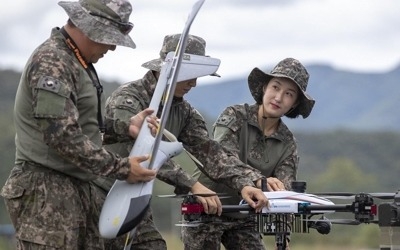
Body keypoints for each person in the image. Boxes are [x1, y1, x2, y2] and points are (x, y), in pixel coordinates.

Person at [0, 0, 158, 249]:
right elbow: (61, 135)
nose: (113, 48)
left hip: (74, 188)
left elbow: (81, 122)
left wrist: (124, 127)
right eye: (110, 38)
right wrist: (122, 168)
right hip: (46, 192)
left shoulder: (76, 62)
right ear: (90, 28)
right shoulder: (52, 62)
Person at [100, 33, 269, 250]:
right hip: (103, 194)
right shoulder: (129, 99)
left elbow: (212, 154)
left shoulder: (185, 111)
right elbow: (145, 151)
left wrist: (246, 183)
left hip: (136, 198)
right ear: (167, 70)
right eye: (190, 75)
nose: (194, 83)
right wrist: (192, 185)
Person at [182, 58, 316, 250]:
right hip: (207, 207)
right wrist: (259, 180)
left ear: (294, 104)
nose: (278, 97)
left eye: (288, 94)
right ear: (264, 88)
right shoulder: (235, 116)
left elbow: (283, 194)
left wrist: (283, 238)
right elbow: (223, 159)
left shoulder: (288, 143)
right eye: (275, 87)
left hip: (245, 216)